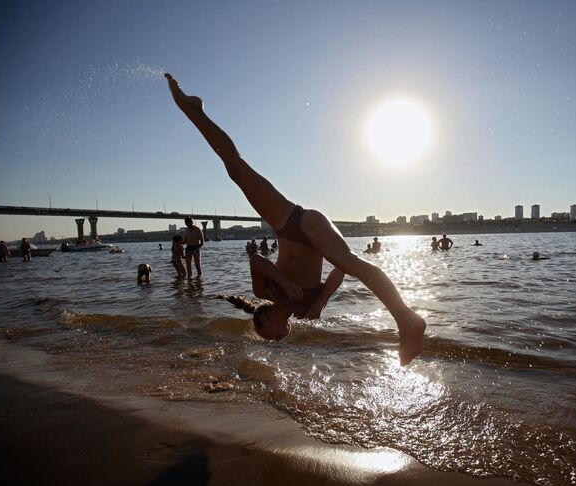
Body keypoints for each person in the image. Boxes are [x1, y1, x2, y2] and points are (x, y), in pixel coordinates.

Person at [165, 73, 425, 365]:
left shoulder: (263, 290)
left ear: (263, 322)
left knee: (236, 169)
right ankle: (406, 319)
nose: (276, 340)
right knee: (348, 262)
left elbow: (257, 261)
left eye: (269, 337)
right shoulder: (305, 311)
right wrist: (321, 302)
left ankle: (193, 110)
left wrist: (285, 284)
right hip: (317, 241)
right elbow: (338, 273)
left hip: (293, 224)